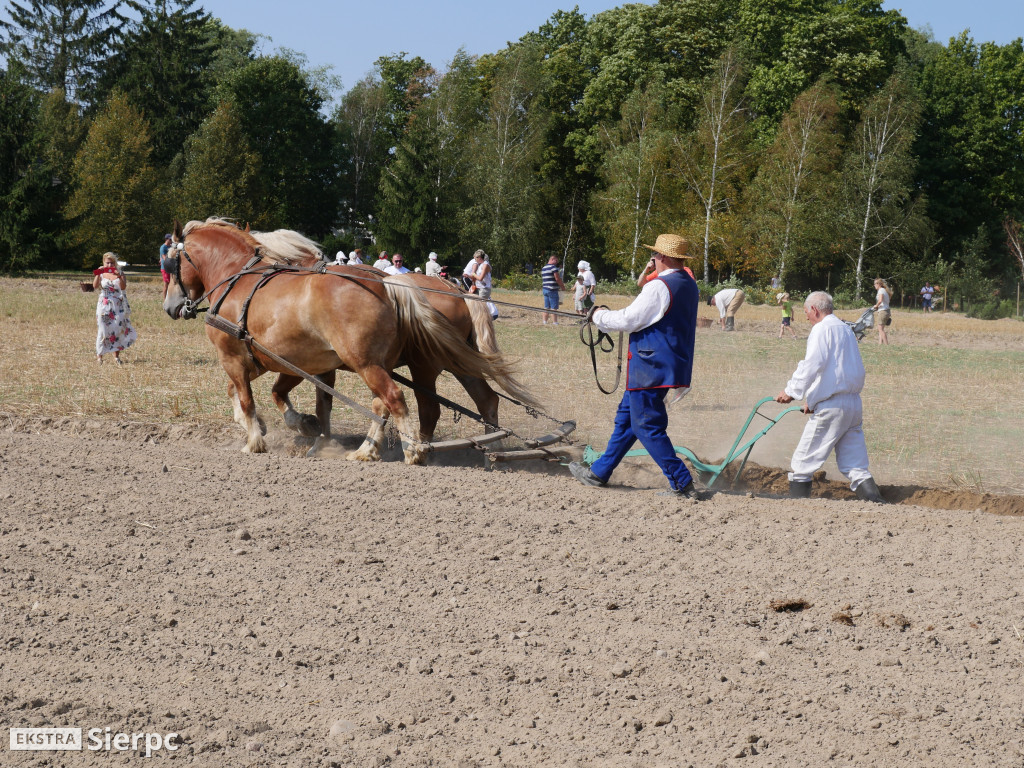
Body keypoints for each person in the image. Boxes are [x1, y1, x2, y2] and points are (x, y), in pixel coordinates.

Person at [568, 233, 708, 499]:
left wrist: (598, 316)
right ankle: (599, 472)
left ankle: (682, 483)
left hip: (650, 365)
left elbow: (630, 319)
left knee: (646, 426)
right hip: (666, 363)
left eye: (655, 255)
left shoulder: (658, 287)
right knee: (627, 421)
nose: (652, 258)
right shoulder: (688, 283)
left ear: (663, 257)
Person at [774, 291, 885, 503]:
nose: (806, 316)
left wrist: (791, 391)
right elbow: (835, 368)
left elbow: (813, 365)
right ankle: (877, 505)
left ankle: (795, 512)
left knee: (802, 464)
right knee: (855, 466)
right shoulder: (844, 328)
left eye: (806, 312)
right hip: (852, 405)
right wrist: (813, 399)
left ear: (814, 310)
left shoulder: (821, 329)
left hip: (833, 407)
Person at [93, 252, 136, 365]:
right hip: (104, 303)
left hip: (117, 304)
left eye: (112, 262)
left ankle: (116, 357)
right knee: (102, 329)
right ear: (103, 262)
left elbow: (123, 287)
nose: (109, 265)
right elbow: (95, 286)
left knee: (116, 329)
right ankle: (99, 356)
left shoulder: (120, 272)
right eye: (107, 262)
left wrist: (118, 276)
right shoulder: (101, 273)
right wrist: (98, 273)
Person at [540, 254, 565, 324]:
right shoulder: (553, 268)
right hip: (552, 289)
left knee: (546, 306)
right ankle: (555, 322)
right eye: (556, 260)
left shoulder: (544, 268)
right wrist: (562, 286)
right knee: (554, 307)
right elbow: (557, 279)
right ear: (552, 259)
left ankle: (544, 321)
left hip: (545, 289)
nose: (557, 262)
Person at [872, 277, 891, 345]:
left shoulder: (881, 290)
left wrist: (876, 305)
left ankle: (886, 345)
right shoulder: (883, 290)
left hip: (883, 311)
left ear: (879, 284)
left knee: (880, 329)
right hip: (886, 311)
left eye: (875, 284)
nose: (874, 285)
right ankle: (880, 344)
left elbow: (880, 300)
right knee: (881, 329)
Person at [159, 234, 174, 299]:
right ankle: (165, 299)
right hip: (165, 268)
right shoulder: (163, 247)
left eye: (171, 239)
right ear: (166, 239)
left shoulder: (171, 246)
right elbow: (164, 258)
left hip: (170, 268)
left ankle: (170, 298)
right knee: (166, 284)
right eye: (170, 239)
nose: (171, 241)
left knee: (171, 284)